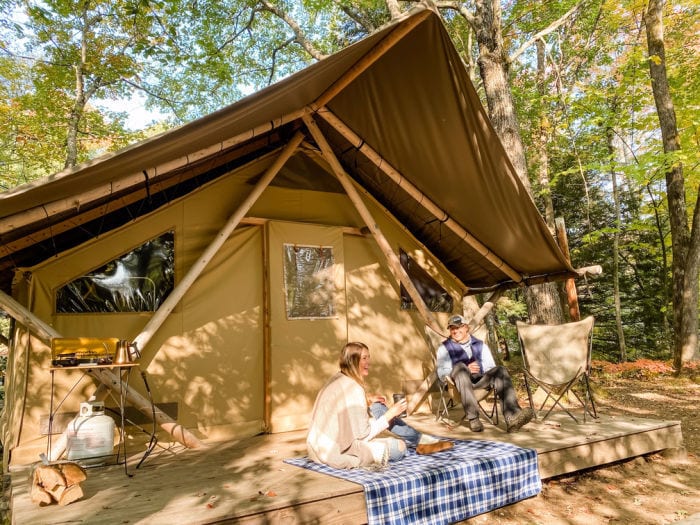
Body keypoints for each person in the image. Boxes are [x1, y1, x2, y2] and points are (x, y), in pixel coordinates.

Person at [307, 341, 452, 469]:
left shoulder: (337, 379)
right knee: (400, 447)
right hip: (338, 451)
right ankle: (422, 441)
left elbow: (344, 405)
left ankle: (422, 440)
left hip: (318, 447)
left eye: (368, 357)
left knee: (377, 407)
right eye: (364, 358)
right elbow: (363, 435)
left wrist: (368, 399)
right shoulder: (354, 389)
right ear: (352, 361)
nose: (368, 362)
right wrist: (391, 414)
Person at [436, 315, 534, 433]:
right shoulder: (444, 348)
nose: (455, 331)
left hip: (480, 383)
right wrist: (466, 369)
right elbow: (442, 374)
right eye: (452, 328)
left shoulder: (480, 345)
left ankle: (513, 417)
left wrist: (480, 371)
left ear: (466, 327)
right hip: (457, 386)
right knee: (460, 367)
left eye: (458, 327)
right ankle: (473, 418)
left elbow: (490, 368)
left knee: (500, 370)